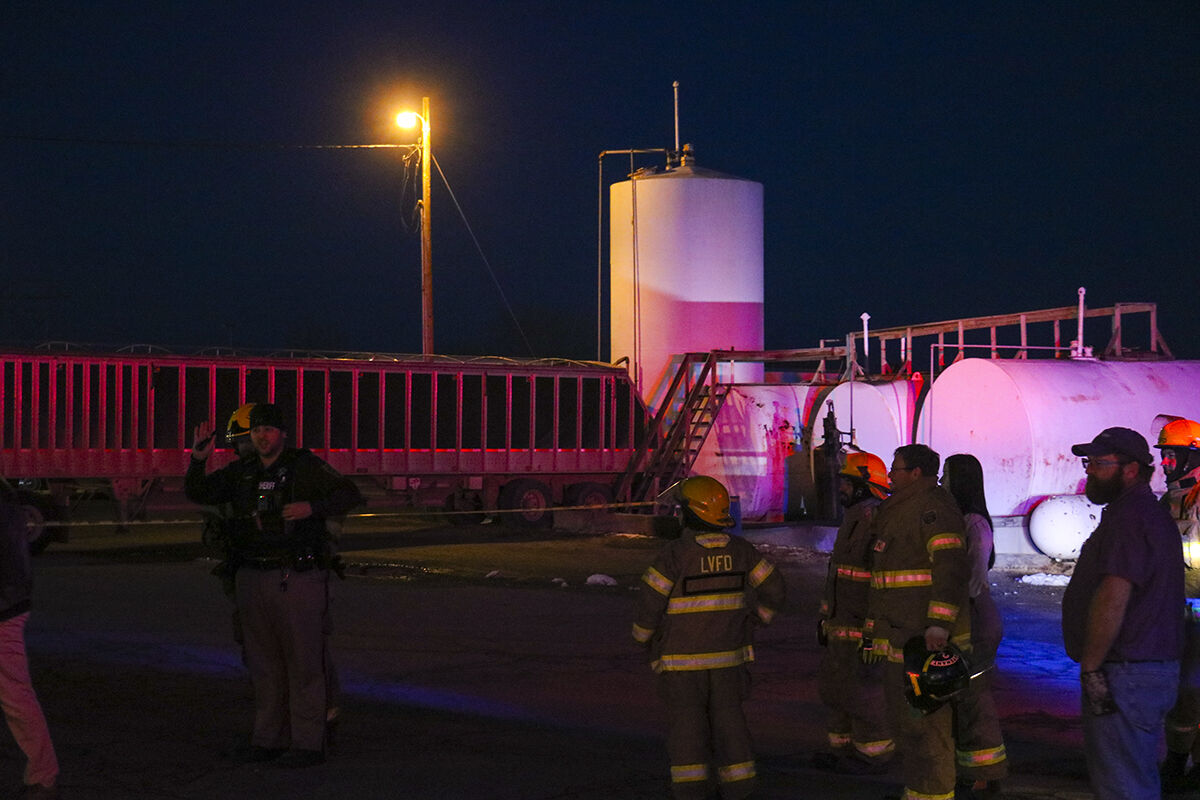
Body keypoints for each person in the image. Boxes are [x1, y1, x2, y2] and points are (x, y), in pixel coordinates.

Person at [185, 402, 362, 768]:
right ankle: (267, 739)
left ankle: (308, 744)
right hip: (252, 575)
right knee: (264, 665)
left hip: (295, 576)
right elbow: (200, 492)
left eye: (268, 429)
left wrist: (310, 507)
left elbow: (349, 494)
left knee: (304, 662)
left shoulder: (303, 466)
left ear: (283, 433)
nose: (261, 436)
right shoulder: (244, 471)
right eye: (256, 430)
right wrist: (198, 458)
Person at [633, 475, 786, 800]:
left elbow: (650, 604)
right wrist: (760, 617)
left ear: (691, 514)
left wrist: (643, 637)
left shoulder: (674, 556)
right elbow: (774, 588)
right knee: (731, 723)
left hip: (681, 664)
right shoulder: (743, 552)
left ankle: (691, 791)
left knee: (687, 727)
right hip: (729, 660)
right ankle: (740, 787)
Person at [1063, 426, 1184, 800]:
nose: (1089, 471)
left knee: (1123, 785)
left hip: (1126, 671)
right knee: (1133, 774)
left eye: (1099, 463)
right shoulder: (1145, 513)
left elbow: (1114, 595)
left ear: (1131, 469)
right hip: (1145, 667)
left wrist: (1092, 667)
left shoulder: (1130, 517)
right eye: (1089, 462)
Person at [862, 443, 970, 800]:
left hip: (925, 641)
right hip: (902, 636)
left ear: (916, 473)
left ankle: (935, 795)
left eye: (896, 469)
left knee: (929, 730)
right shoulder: (900, 509)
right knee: (909, 726)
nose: (890, 475)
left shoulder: (932, 509)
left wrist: (939, 624)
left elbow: (950, 568)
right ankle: (918, 793)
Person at [814, 451, 895, 774]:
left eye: (847, 482)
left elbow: (881, 581)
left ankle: (874, 756)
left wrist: (874, 631)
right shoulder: (854, 518)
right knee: (838, 690)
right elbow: (839, 575)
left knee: (867, 696)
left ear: (863, 485)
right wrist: (825, 618)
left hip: (862, 628)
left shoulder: (875, 520)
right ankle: (843, 752)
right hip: (841, 626)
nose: (841, 488)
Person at [941, 453, 1008, 798]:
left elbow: (973, 577)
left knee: (973, 698)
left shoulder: (974, 523)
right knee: (961, 697)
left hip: (975, 615)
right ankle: (969, 771)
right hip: (967, 613)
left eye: (946, 476)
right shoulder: (958, 519)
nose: (941, 482)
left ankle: (985, 774)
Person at [0, 498, 59, 798]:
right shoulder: (6, 502)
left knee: (16, 698)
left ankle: (44, 775)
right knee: (16, 697)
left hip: (4, 610)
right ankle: (43, 774)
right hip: (9, 604)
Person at [1155, 419, 1200, 793]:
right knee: (1180, 691)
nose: (1166, 463)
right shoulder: (1169, 498)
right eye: (1165, 455)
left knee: (1188, 691)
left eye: (1172, 455)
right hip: (1175, 612)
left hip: (1195, 613)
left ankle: (1178, 761)